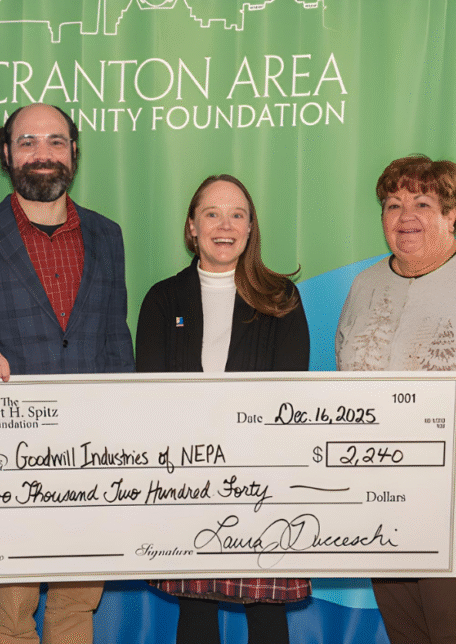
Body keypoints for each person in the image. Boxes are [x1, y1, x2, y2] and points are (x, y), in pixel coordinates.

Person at [0, 103, 134, 644]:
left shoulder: (107, 235)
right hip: (11, 455)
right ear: (6, 154)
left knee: (77, 604)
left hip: (94, 453)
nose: (42, 154)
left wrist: (130, 429)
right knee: (13, 604)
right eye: (27, 142)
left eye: (55, 141)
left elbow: (117, 340)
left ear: (73, 151)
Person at [336, 155, 456, 643]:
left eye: (422, 203)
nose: (405, 216)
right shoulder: (364, 286)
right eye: (393, 204)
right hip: (384, 495)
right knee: (406, 631)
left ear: (451, 214)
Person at [136, 174, 310, 644]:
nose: (224, 224)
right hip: (186, 478)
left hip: (262, 479)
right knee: (195, 613)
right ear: (192, 226)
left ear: (251, 228)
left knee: (267, 614)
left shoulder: (281, 299)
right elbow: (149, 397)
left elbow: (289, 400)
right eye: (212, 213)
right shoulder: (162, 299)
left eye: (237, 214)